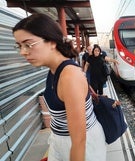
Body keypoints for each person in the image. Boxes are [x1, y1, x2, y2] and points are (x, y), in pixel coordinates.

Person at [13, 13, 106, 161]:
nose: (22, 52)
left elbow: (79, 140)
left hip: (82, 148)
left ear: (51, 42)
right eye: (19, 46)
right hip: (60, 141)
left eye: (28, 44)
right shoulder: (54, 69)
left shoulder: (69, 77)